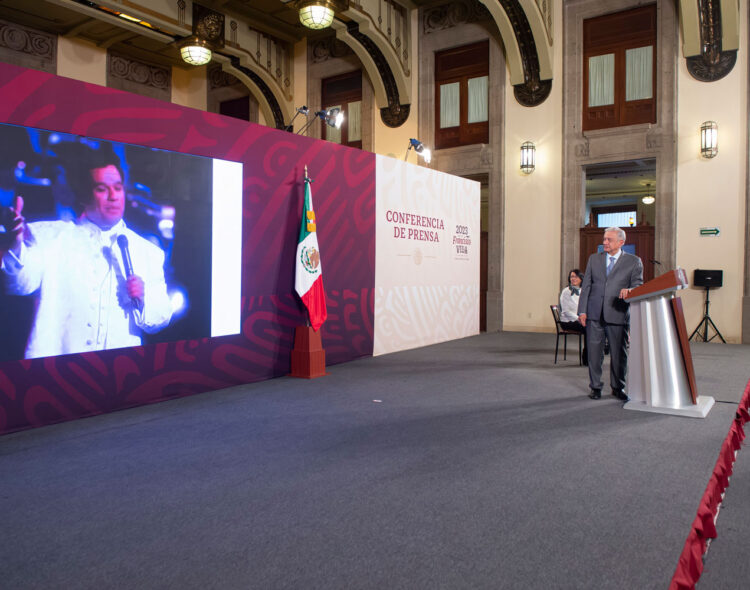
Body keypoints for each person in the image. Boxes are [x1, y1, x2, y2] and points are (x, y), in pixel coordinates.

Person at [0, 153, 172, 359]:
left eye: (118, 188)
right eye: (102, 189)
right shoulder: (51, 237)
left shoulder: (148, 252)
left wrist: (143, 298)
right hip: (57, 372)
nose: (113, 196)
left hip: (120, 373)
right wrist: (15, 244)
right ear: (83, 196)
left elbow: (161, 317)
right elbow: (19, 284)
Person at [578, 227, 643, 401]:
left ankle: (618, 387)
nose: (605, 242)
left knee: (619, 354)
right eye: (604, 239)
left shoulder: (634, 262)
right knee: (593, 353)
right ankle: (595, 387)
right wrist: (582, 310)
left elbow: (638, 286)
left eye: (609, 240)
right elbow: (587, 287)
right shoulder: (594, 259)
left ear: (621, 242)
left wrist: (630, 290)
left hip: (618, 313)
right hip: (594, 313)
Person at [559, 268, 587, 365]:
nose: (573, 279)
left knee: (593, 327)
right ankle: (587, 358)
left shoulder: (583, 290)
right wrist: (579, 319)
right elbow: (566, 311)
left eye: (576, 276)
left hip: (579, 320)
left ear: (581, 278)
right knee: (588, 329)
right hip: (567, 321)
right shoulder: (566, 291)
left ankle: (591, 356)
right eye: (571, 277)